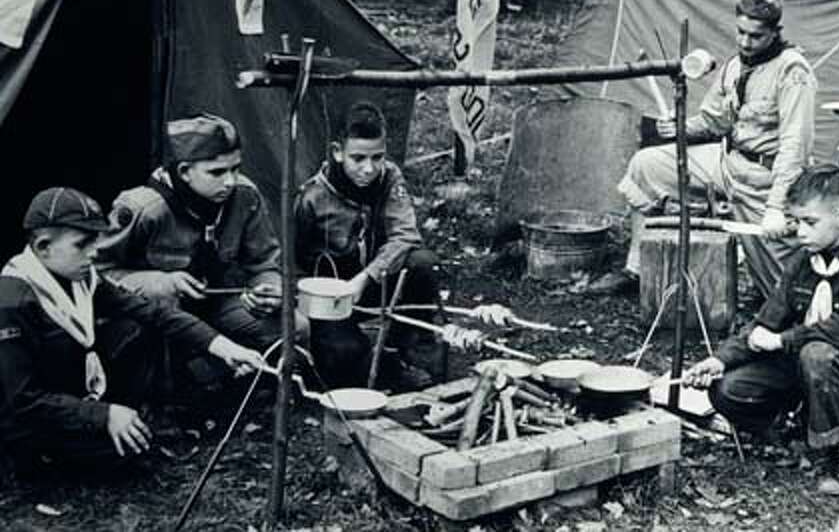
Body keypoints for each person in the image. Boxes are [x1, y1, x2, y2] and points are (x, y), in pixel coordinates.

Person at [0, 188, 263, 474]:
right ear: (43, 247)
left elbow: (152, 312)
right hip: (30, 416)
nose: (95, 252)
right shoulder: (12, 301)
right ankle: (41, 458)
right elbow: (24, 399)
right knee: (121, 454)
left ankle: (140, 418)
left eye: (96, 240)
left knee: (137, 327)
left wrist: (223, 346)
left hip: (71, 392)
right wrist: (104, 415)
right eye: (82, 244)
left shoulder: (80, 278)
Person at [597, 0, 816, 297]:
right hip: (727, 163)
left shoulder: (792, 72)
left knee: (781, 291)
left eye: (755, 36)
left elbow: (795, 147)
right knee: (648, 165)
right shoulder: (734, 66)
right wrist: (681, 127)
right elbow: (715, 121)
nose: (745, 42)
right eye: (740, 32)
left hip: (765, 179)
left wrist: (775, 206)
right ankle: (637, 270)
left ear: (774, 32)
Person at [682, 165, 839, 496]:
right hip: (801, 362)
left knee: (818, 355)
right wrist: (721, 359)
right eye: (796, 222)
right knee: (727, 389)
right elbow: (767, 321)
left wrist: (783, 340)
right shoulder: (803, 261)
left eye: (810, 222)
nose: (800, 232)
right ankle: (791, 430)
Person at [294, 101, 508, 389]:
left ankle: (399, 350)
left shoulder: (389, 177)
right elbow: (294, 262)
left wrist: (366, 277)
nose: (368, 168)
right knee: (346, 359)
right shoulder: (312, 197)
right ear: (337, 152)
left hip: (374, 284)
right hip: (332, 300)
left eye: (377, 157)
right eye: (357, 158)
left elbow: (405, 235)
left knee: (422, 263)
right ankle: (364, 357)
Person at [96, 113, 307, 358]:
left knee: (296, 328)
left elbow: (264, 262)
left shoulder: (245, 197)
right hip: (161, 310)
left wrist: (268, 289)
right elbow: (100, 273)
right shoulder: (144, 208)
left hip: (220, 302)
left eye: (235, 169)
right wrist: (161, 283)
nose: (230, 181)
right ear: (185, 171)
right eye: (217, 172)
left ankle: (272, 391)